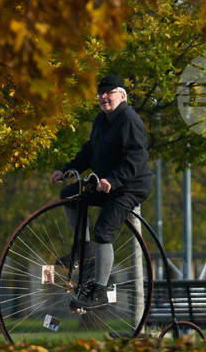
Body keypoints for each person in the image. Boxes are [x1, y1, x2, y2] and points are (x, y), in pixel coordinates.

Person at [50, 74, 153, 310]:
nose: (104, 97)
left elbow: (136, 159)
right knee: (69, 196)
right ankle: (83, 250)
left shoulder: (129, 121)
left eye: (109, 92)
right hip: (103, 182)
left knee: (104, 230)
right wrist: (66, 170)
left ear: (122, 95)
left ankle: (99, 290)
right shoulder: (102, 119)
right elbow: (90, 150)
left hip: (129, 186)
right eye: (100, 93)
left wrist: (113, 180)